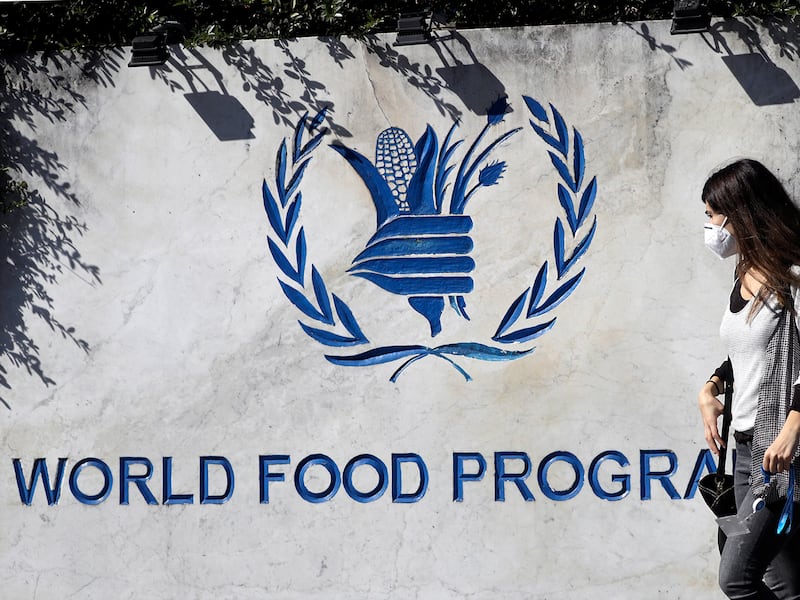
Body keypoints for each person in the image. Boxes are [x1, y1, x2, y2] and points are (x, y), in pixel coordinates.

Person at [698, 158, 800, 599]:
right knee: (784, 581)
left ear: (740, 213)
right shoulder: (744, 274)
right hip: (744, 449)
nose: (710, 228)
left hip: (782, 454)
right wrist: (711, 387)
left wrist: (792, 430)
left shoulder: (793, 275)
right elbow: (744, 354)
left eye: (713, 216)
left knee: (736, 578)